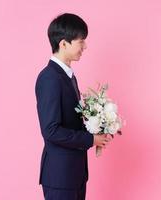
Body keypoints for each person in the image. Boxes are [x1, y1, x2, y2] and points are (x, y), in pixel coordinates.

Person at [35, 13, 111, 200]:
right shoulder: (49, 78)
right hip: (60, 177)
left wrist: (99, 126)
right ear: (63, 44)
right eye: (81, 41)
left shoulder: (69, 76)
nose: (85, 46)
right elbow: (51, 130)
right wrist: (90, 139)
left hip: (74, 175)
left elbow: (71, 121)